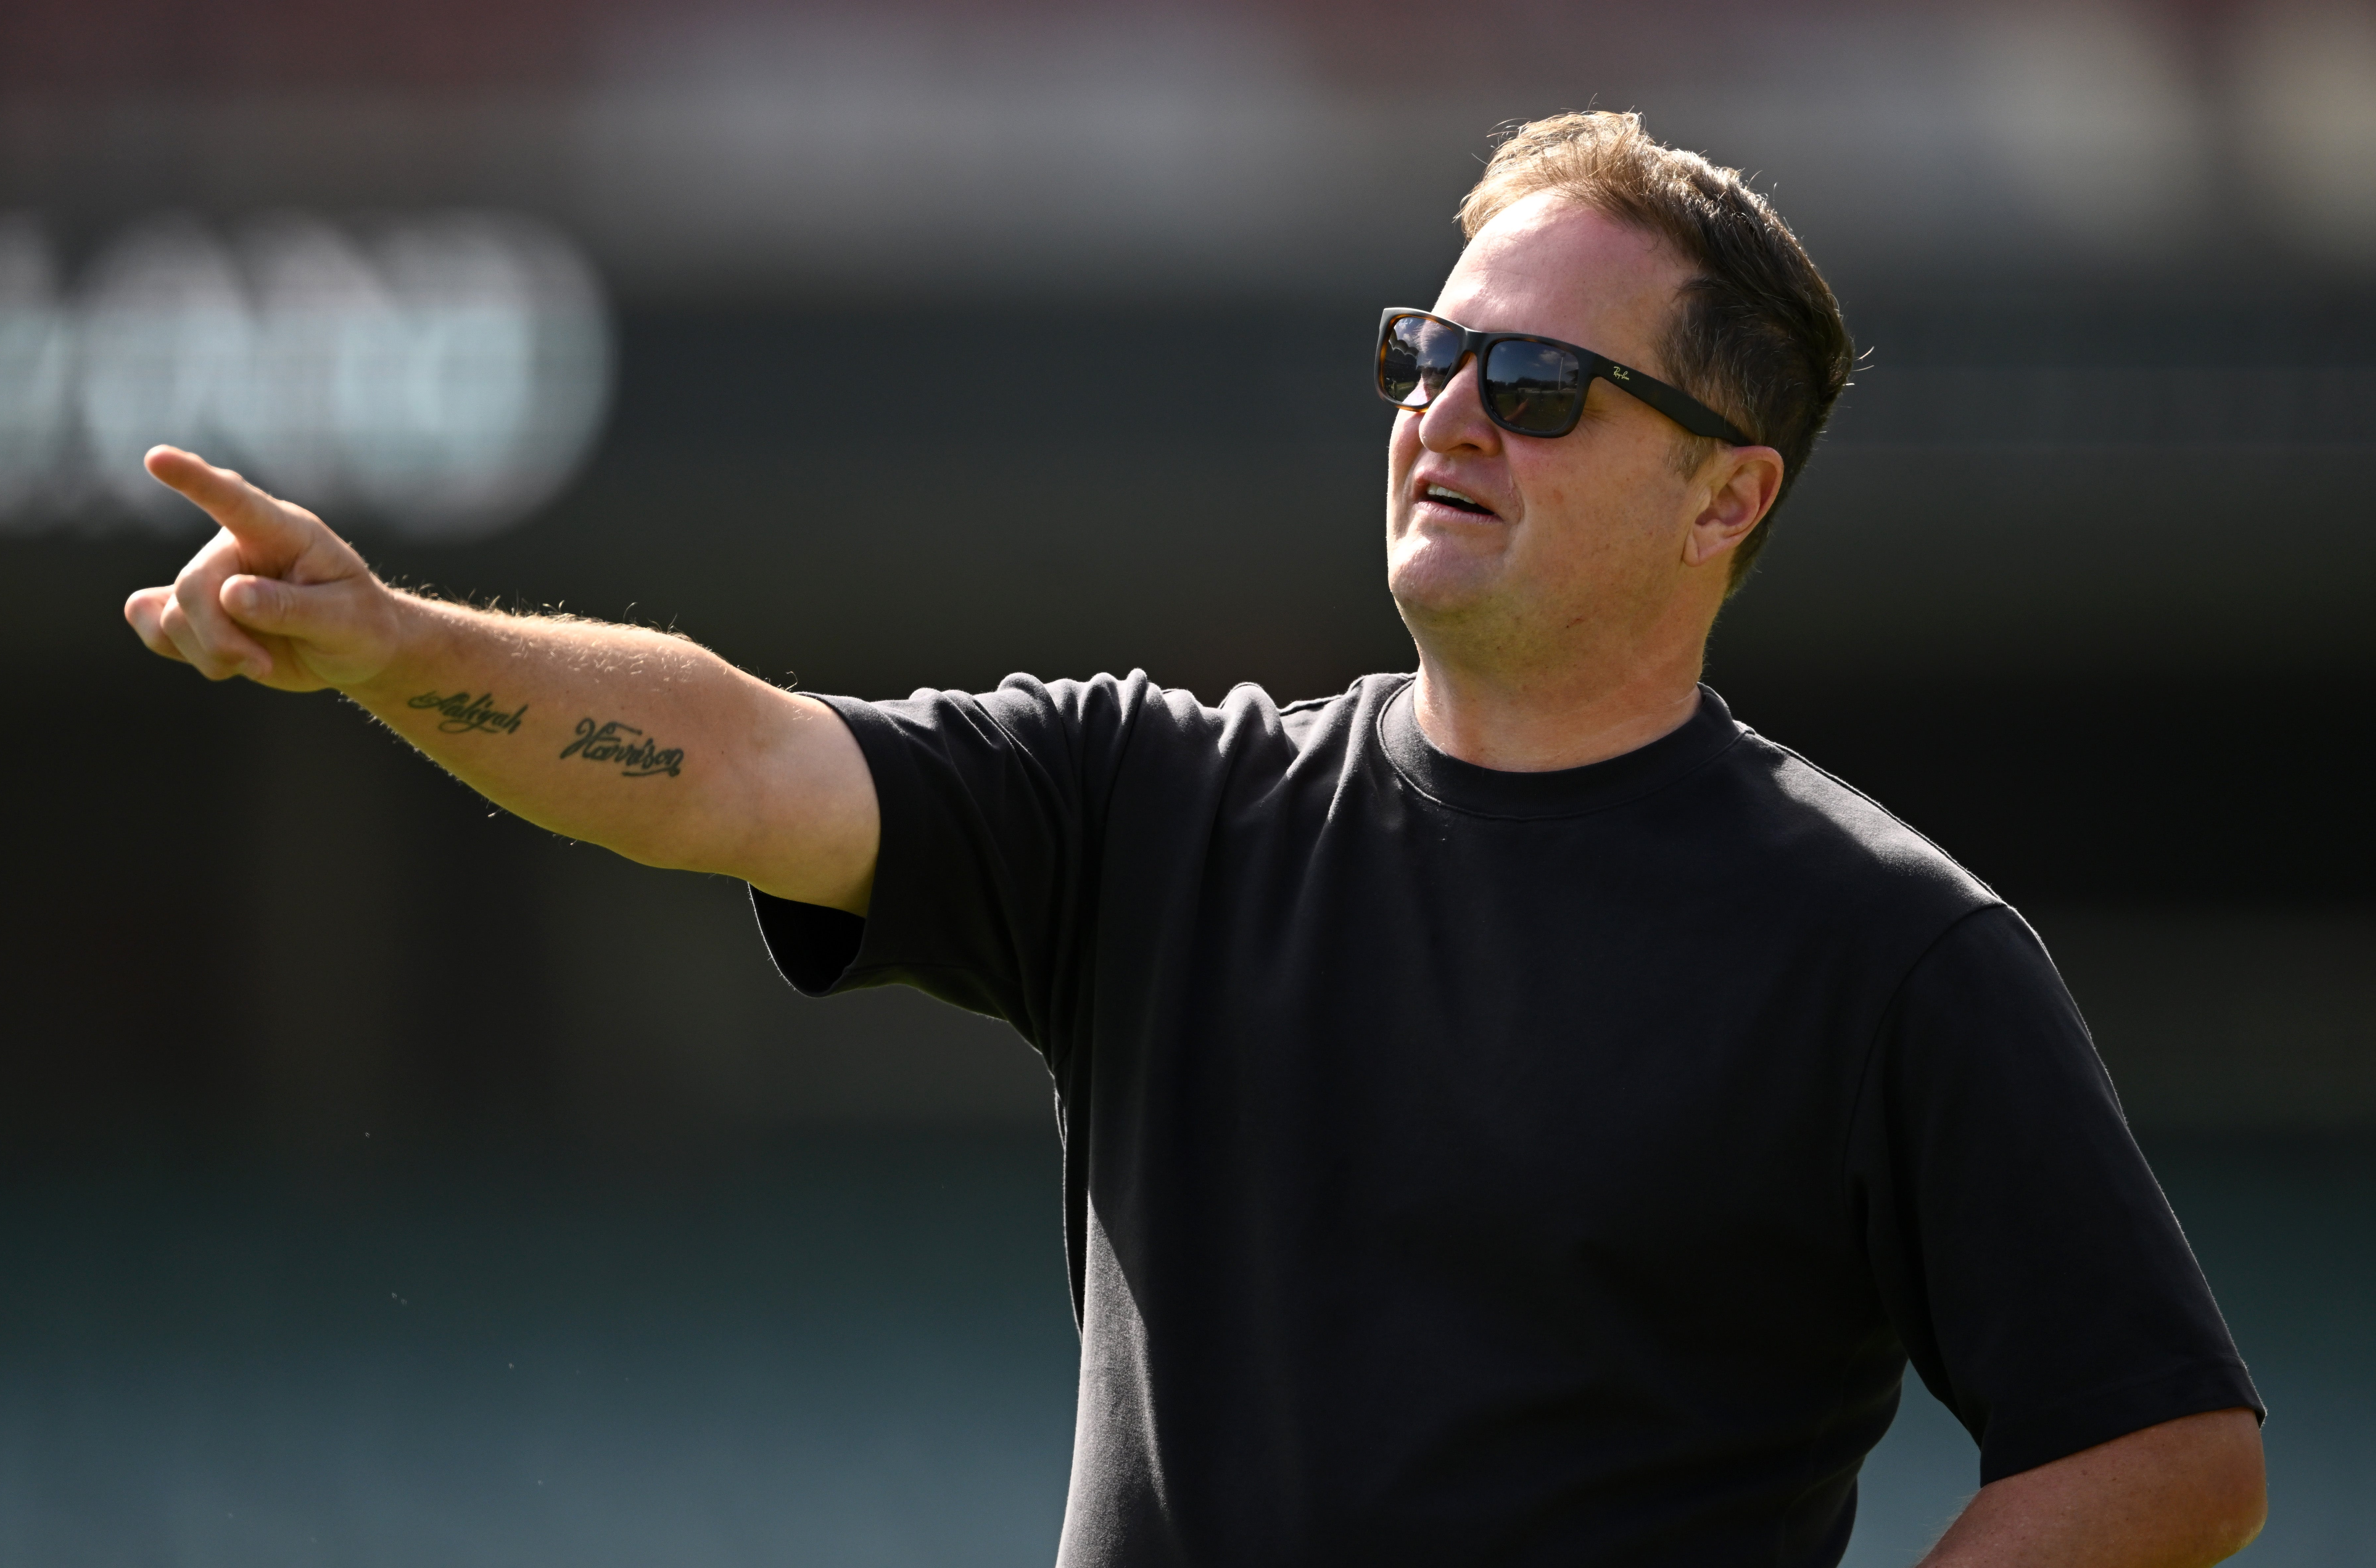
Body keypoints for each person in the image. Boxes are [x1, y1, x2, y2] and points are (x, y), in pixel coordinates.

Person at [125, 112, 2265, 1566]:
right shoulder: (1164, 799)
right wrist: (399, 649)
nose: (1445, 409)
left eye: (1538, 383)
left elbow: (2172, 1443)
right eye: (1427, 353)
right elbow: (737, 765)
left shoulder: (1890, 948)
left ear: (1731, 496)